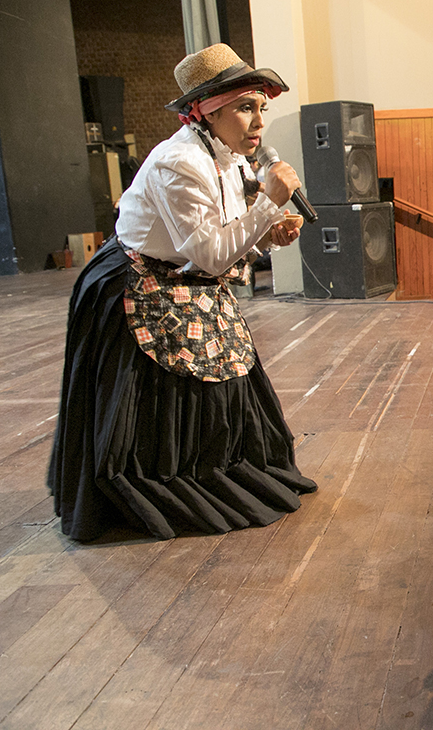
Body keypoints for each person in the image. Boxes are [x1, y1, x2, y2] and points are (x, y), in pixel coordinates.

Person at [48, 43, 317, 542]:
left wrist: (267, 231)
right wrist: (268, 205)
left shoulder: (229, 157)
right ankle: (162, 487)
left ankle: (218, 470)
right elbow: (211, 255)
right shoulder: (180, 163)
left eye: (261, 107)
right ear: (208, 112)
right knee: (161, 398)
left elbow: (222, 236)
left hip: (186, 276)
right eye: (246, 108)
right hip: (138, 282)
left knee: (227, 370)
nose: (259, 122)